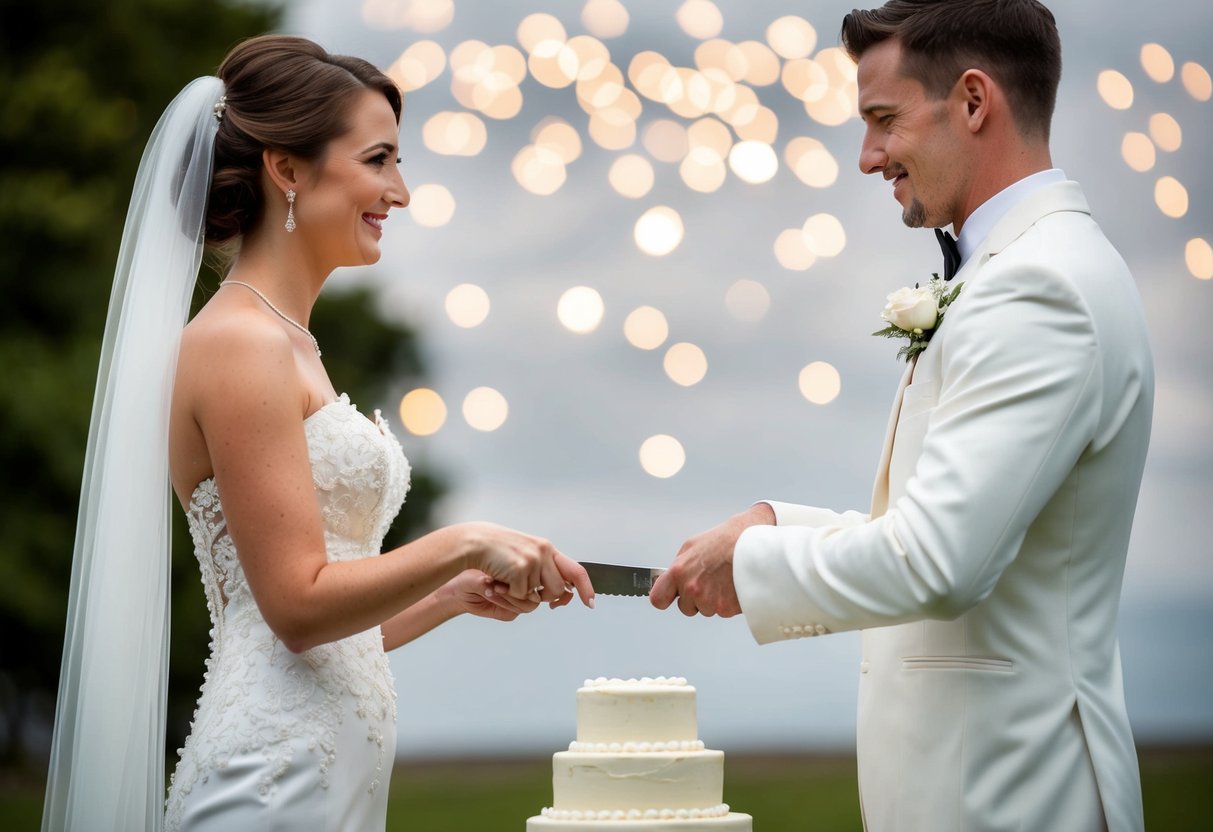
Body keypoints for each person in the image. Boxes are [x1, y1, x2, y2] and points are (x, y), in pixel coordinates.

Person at [42, 34, 594, 832]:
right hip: (270, 784)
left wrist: (446, 596)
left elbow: (316, 631)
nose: (399, 192)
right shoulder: (240, 343)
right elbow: (294, 606)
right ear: (287, 169)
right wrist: (464, 541)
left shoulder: (288, 342)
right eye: (378, 160)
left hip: (326, 778)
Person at [650, 1, 1153, 829]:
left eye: (883, 120)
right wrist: (773, 522)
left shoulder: (1041, 287)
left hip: (1013, 795)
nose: (867, 156)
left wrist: (756, 562)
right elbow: (957, 524)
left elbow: (940, 562)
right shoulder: (1014, 271)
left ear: (972, 101)